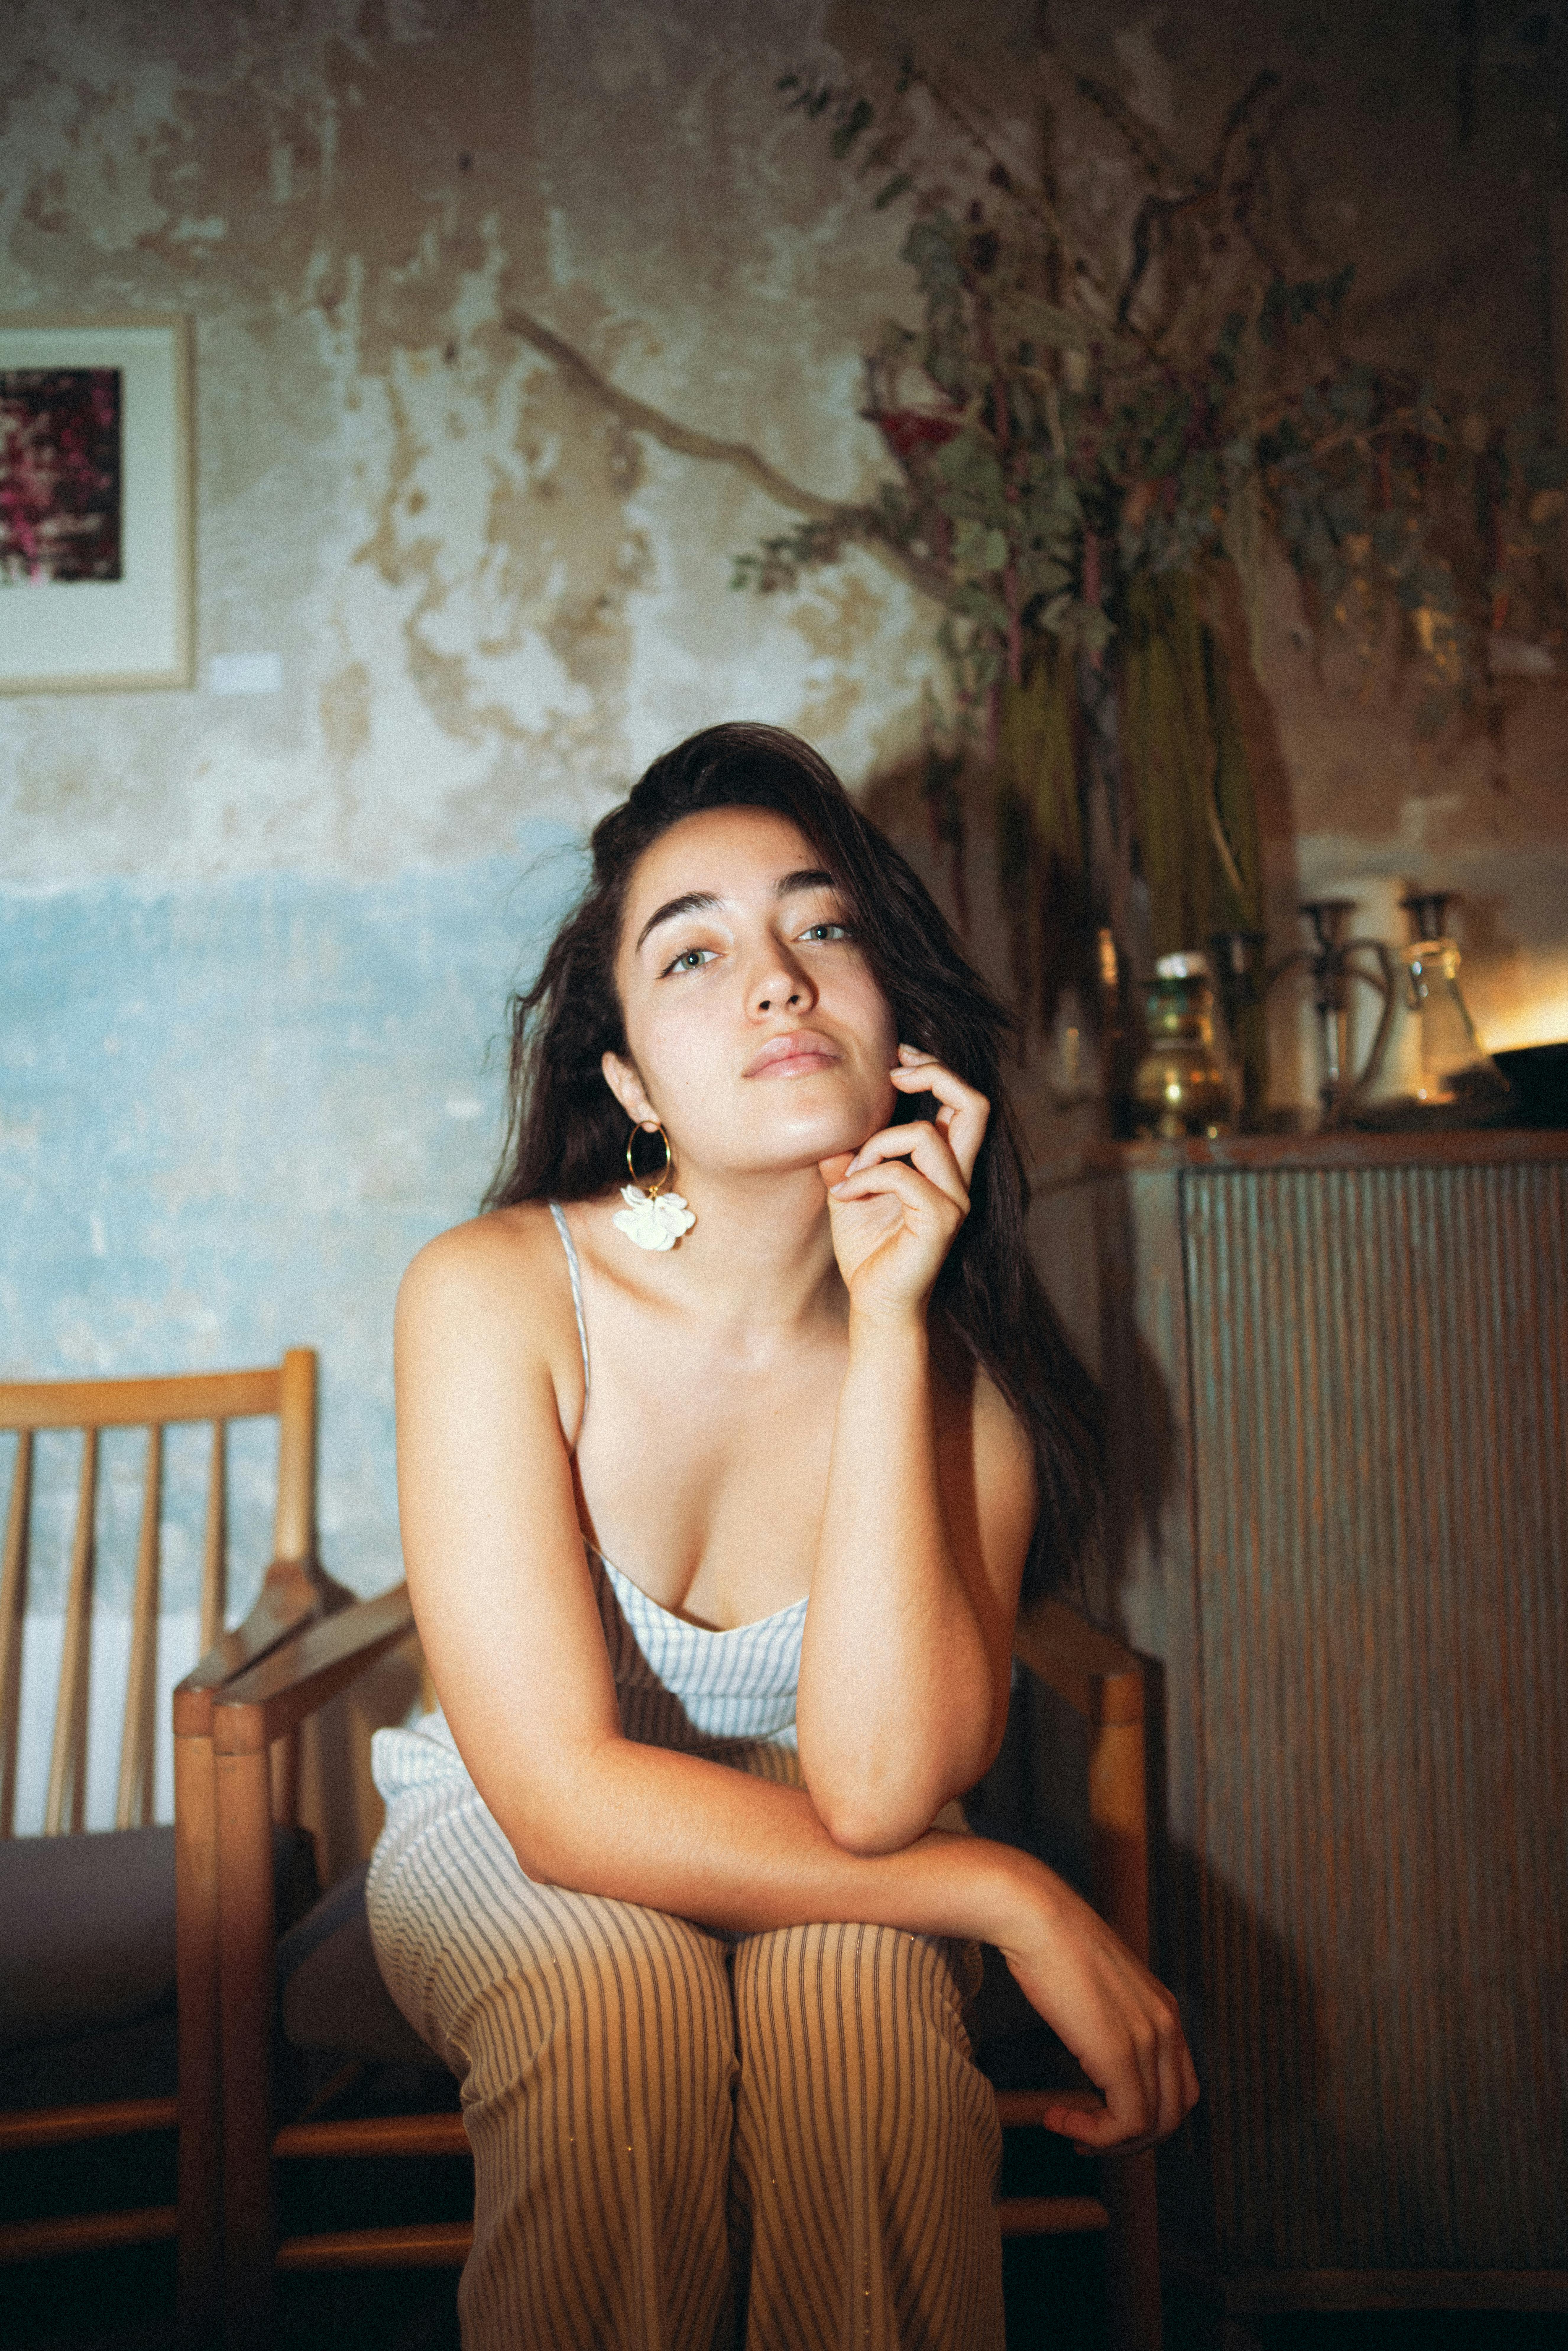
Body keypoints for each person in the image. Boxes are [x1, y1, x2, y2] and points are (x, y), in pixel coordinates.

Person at [366, 722, 1198, 2351]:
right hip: (513, 1819)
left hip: (843, 1830)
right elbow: (556, 1798)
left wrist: (890, 1330)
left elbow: (884, 1790)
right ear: (626, 1084)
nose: (777, 982)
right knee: (610, 2006)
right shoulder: (495, 1293)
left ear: (899, 1026)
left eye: (824, 929)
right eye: (695, 952)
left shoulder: (965, 1389)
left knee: (864, 2018)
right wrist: (1014, 1896)